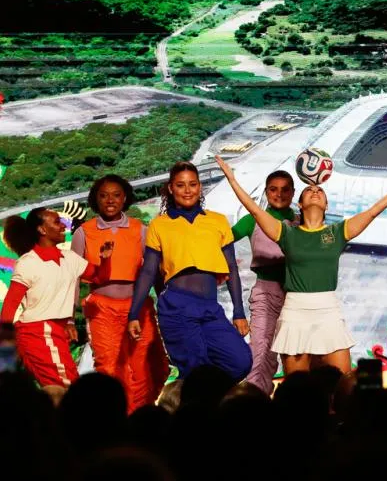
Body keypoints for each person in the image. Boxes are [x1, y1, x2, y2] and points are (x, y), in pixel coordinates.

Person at [216, 155, 387, 376]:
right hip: (295, 312)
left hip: (328, 311)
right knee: (298, 388)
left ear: (326, 205)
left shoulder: (338, 232)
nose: (315, 191)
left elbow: (373, 211)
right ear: (300, 204)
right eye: (309, 190)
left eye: (320, 191)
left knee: (342, 382)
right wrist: (232, 180)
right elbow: (255, 211)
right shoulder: (286, 233)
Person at [127, 162, 252, 381]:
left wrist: (239, 312)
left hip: (210, 307)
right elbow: (148, 272)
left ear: (199, 186)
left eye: (192, 184)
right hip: (177, 306)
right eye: (180, 185)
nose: (187, 190)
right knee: (195, 373)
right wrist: (133, 314)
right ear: (171, 188)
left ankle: (208, 395)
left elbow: (231, 267)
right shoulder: (159, 225)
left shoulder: (217, 221)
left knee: (240, 361)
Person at [71, 175, 169, 413]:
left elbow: (154, 272)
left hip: (138, 307)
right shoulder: (84, 232)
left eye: (116, 195)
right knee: (111, 368)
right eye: (104, 196)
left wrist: (165, 304)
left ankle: (141, 416)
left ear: (124, 198)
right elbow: (72, 277)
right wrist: (70, 318)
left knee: (148, 366)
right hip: (102, 309)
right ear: (95, 199)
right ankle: (118, 419)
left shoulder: (140, 230)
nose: (110, 200)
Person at [1, 208, 113, 387]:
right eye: (56, 222)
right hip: (38, 333)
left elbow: (100, 277)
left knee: (61, 387)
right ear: (42, 230)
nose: (63, 226)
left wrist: (105, 259)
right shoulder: (28, 263)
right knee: (67, 387)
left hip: (54, 333)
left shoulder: (69, 258)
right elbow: (10, 305)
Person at [231, 169, 297, 394]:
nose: (279, 194)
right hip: (265, 294)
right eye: (273, 189)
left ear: (293, 192)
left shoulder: (300, 221)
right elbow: (222, 239)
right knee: (260, 354)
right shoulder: (253, 219)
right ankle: (255, 406)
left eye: (285, 189)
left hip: (296, 296)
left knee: (297, 354)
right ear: (266, 192)